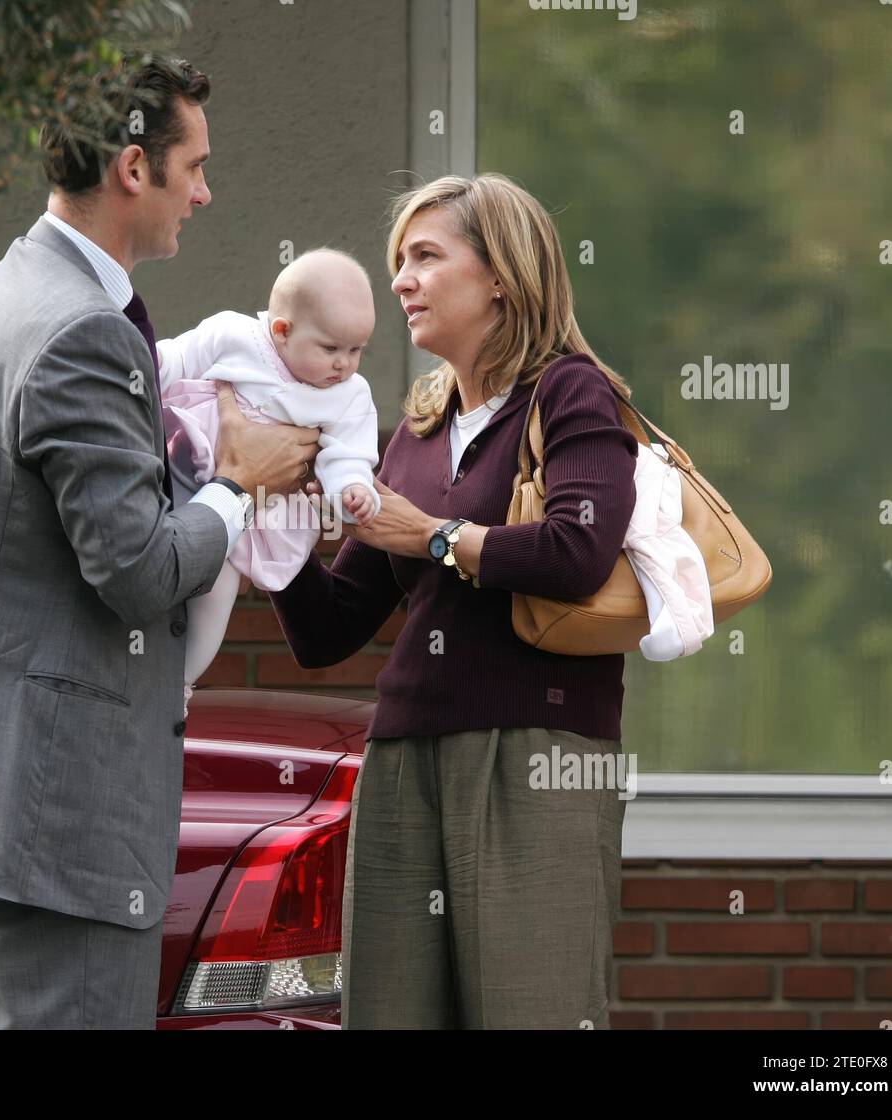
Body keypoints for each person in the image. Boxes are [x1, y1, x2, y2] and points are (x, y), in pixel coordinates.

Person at [0, 56, 321, 1029]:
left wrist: (198, 469)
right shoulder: (83, 331)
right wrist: (241, 484)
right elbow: (138, 571)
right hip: (54, 818)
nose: (205, 190)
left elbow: (72, 522)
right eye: (192, 165)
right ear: (132, 169)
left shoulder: (8, 294)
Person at [269, 172, 640, 1029]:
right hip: (403, 762)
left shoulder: (572, 393)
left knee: (529, 1013)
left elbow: (578, 552)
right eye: (399, 259)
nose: (399, 279)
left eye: (426, 257)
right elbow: (329, 630)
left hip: (532, 760)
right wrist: (265, 512)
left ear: (501, 276)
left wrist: (436, 536)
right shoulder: (417, 433)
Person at [155, 248, 382, 715]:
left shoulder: (349, 396)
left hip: (244, 513)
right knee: (154, 568)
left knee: (214, 596)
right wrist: (136, 370)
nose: (345, 364)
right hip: (177, 468)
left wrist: (351, 490)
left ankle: (177, 684)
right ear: (282, 331)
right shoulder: (234, 336)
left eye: (356, 350)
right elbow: (174, 358)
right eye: (331, 348)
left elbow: (348, 453)